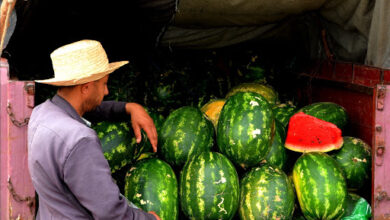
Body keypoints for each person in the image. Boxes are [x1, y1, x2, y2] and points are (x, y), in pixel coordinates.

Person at [28, 39, 160, 220]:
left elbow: (88, 108)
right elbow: (111, 213)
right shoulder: (80, 140)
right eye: (104, 84)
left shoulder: (41, 114)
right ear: (86, 88)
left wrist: (128, 108)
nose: (106, 91)